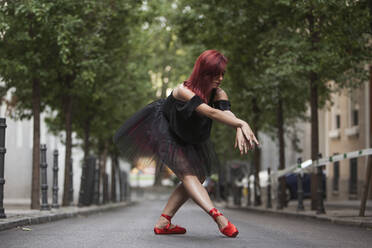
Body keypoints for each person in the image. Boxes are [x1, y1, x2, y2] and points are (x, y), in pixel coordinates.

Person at [114, 50, 259, 238]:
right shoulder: (183, 91)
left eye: (223, 74)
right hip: (164, 129)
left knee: (198, 177)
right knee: (188, 173)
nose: (220, 78)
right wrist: (242, 123)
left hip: (188, 135)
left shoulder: (219, 93)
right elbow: (212, 113)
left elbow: (226, 113)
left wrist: (239, 125)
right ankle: (219, 218)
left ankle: (164, 222)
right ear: (203, 72)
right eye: (215, 74)